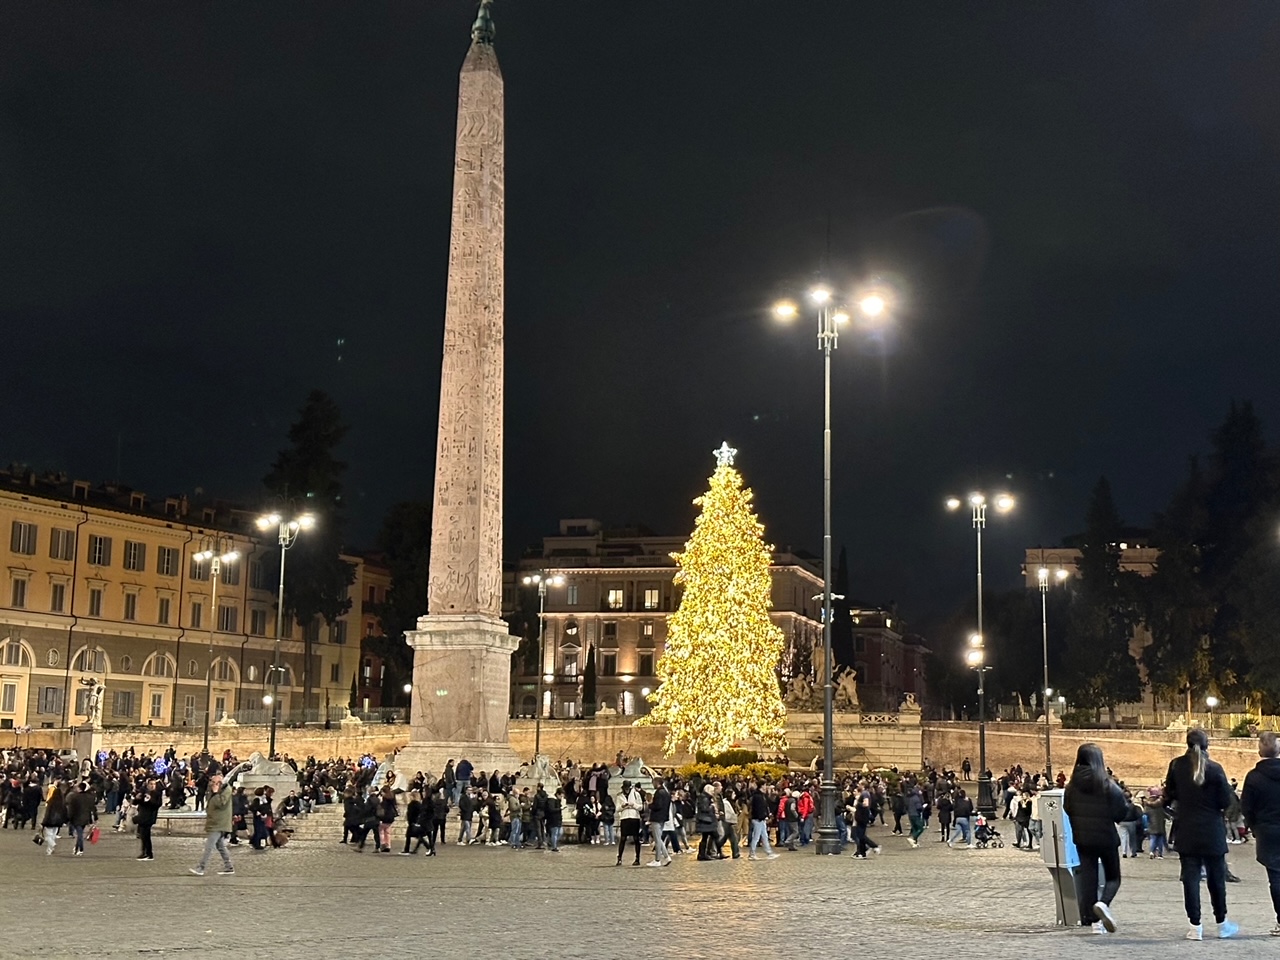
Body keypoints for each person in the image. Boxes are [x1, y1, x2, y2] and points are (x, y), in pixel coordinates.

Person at [1165, 727, 1238, 940]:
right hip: (1212, 829)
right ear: (1207, 745)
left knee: (1190, 878)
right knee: (1216, 879)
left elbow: (1170, 793)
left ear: (1187, 744)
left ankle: (1195, 926)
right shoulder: (1215, 769)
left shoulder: (1176, 765)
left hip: (1186, 828)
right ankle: (1222, 923)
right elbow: (1226, 801)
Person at [1064, 744, 1127, 934]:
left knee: (1088, 881)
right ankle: (1103, 904)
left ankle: (1093, 923)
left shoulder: (1071, 787)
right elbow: (1120, 813)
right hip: (1106, 838)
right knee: (1113, 878)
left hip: (1083, 839)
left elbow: (1068, 809)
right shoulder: (1108, 786)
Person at [1241, 730, 1280, 937]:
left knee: (1276, 878)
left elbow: (1246, 807)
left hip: (1268, 831)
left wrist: (1255, 828)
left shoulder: (1254, 777)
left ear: (1259, 751)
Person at [190, 768, 236, 876]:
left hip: (218, 823)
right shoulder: (216, 791)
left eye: (216, 782)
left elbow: (221, 803)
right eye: (213, 782)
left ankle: (201, 868)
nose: (213, 784)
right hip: (215, 822)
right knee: (220, 846)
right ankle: (229, 867)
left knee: (209, 846)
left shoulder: (226, 790)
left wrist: (215, 793)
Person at [65, 781, 97, 857]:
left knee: (79, 834)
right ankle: (76, 848)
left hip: (76, 817)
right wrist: (95, 817)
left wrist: (68, 818)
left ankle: (81, 849)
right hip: (85, 817)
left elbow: (71, 809)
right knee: (80, 833)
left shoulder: (74, 797)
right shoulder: (89, 797)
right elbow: (93, 808)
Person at [133, 777, 161, 861]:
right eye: (151, 784)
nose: (152, 786)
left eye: (154, 784)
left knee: (146, 835)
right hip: (142, 816)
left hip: (149, 817)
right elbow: (136, 802)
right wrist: (137, 798)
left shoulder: (157, 794)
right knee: (143, 835)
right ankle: (144, 852)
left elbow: (157, 805)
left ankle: (149, 853)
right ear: (147, 785)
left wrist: (149, 800)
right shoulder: (144, 792)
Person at [616, 780, 644, 866]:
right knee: (623, 838)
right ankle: (619, 858)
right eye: (625, 788)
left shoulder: (636, 794)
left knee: (636, 838)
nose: (627, 790)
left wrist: (633, 805)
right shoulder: (619, 796)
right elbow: (617, 808)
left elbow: (641, 807)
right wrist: (623, 806)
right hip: (625, 817)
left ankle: (637, 858)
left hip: (634, 817)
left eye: (628, 788)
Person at [646, 779, 673, 866]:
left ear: (657, 783)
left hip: (657, 817)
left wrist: (650, 805)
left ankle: (657, 860)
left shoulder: (659, 793)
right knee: (659, 838)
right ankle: (666, 857)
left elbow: (657, 805)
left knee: (657, 839)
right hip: (663, 817)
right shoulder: (666, 792)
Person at [39, 781, 68, 855]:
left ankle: (52, 844)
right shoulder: (62, 802)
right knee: (53, 835)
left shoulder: (51, 801)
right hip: (58, 821)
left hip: (50, 820)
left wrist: (44, 821)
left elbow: (47, 812)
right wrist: (65, 820)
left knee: (48, 835)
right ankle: (49, 849)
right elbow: (65, 812)